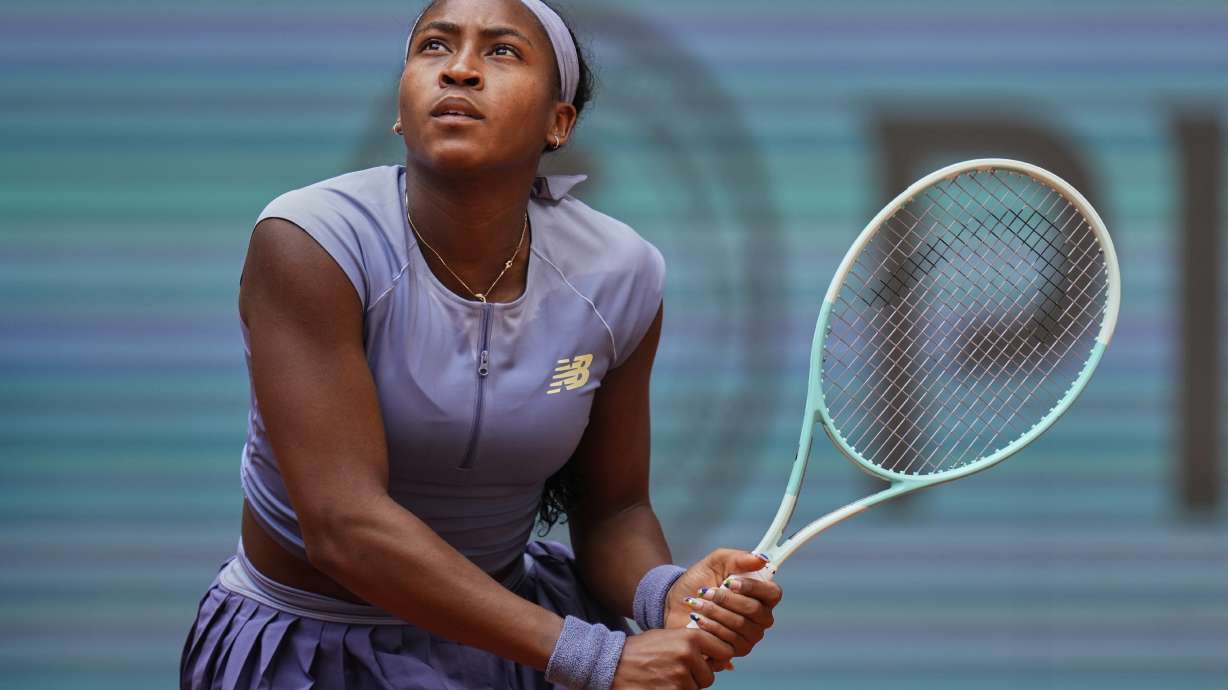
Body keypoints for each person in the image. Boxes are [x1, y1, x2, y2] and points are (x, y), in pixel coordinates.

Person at [179, 1, 782, 688]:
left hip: (515, 646)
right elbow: (344, 525)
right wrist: (595, 658)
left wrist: (666, 594)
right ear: (400, 109)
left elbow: (612, 509)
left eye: (502, 52)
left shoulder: (620, 272)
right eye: (435, 47)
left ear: (560, 122)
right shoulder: (310, 241)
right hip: (310, 651)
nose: (460, 70)